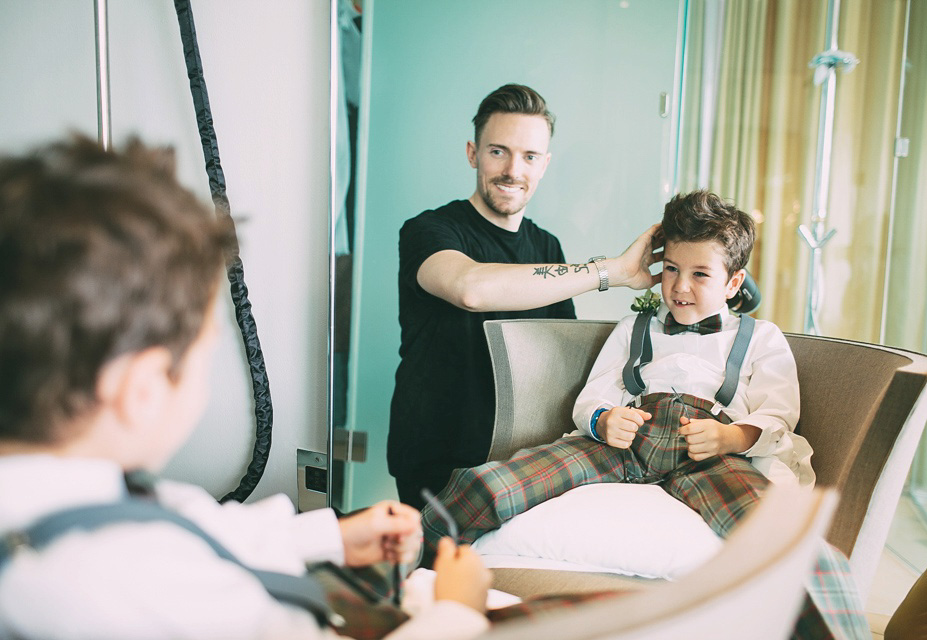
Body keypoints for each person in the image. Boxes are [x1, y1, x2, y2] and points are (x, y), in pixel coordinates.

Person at [0, 136, 493, 640]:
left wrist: (331, 536)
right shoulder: (139, 590)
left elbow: (185, 527)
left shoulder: (63, 499)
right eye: (205, 352)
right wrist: (457, 610)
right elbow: (173, 563)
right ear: (143, 389)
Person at [422, 191, 871, 639]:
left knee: (790, 544)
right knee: (483, 484)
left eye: (700, 274)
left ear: (734, 283)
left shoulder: (761, 337)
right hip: (625, 441)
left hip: (710, 450)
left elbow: (779, 415)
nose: (679, 287)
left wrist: (731, 439)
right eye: (671, 269)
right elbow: (591, 396)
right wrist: (603, 420)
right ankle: (416, 590)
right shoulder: (634, 327)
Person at [389, 84, 661, 508]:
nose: (513, 170)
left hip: (518, 458)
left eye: (530, 156)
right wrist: (613, 272)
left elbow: (562, 358)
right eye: (498, 151)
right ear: (472, 153)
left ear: (544, 164)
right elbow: (470, 288)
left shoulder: (547, 247)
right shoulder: (429, 230)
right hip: (435, 452)